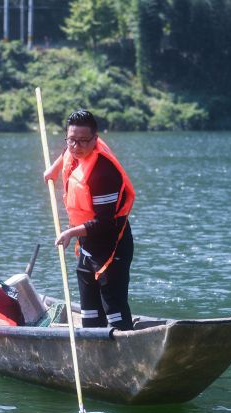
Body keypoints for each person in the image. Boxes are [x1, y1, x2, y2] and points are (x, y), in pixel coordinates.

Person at [44, 110, 136, 330]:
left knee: (113, 308)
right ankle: (93, 344)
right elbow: (68, 151)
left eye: (83, 141)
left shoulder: (103, 172)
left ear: (95, 140)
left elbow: (105, 223)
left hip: (111, 247)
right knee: (89, 312)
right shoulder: (75, 148)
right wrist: (54, 170)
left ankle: (124, 346)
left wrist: (70, 233)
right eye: (71, 139)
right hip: (88, 245)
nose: (76, 147)